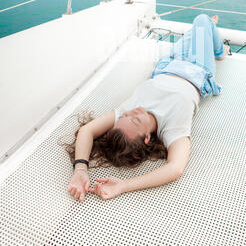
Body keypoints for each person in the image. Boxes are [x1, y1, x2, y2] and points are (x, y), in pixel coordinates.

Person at [66, 14, 229, 202]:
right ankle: (219, 51)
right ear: (146, 138)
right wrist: (124, 185)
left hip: (166, 66)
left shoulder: (125, 117)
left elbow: (87, 130)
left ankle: (210, 36)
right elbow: (175, 168)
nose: (133, 111)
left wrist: (80, 169)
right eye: (135, 119)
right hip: (197, 69)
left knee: (196, 32)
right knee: (202, 20)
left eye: (126, 115)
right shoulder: (172, 128)